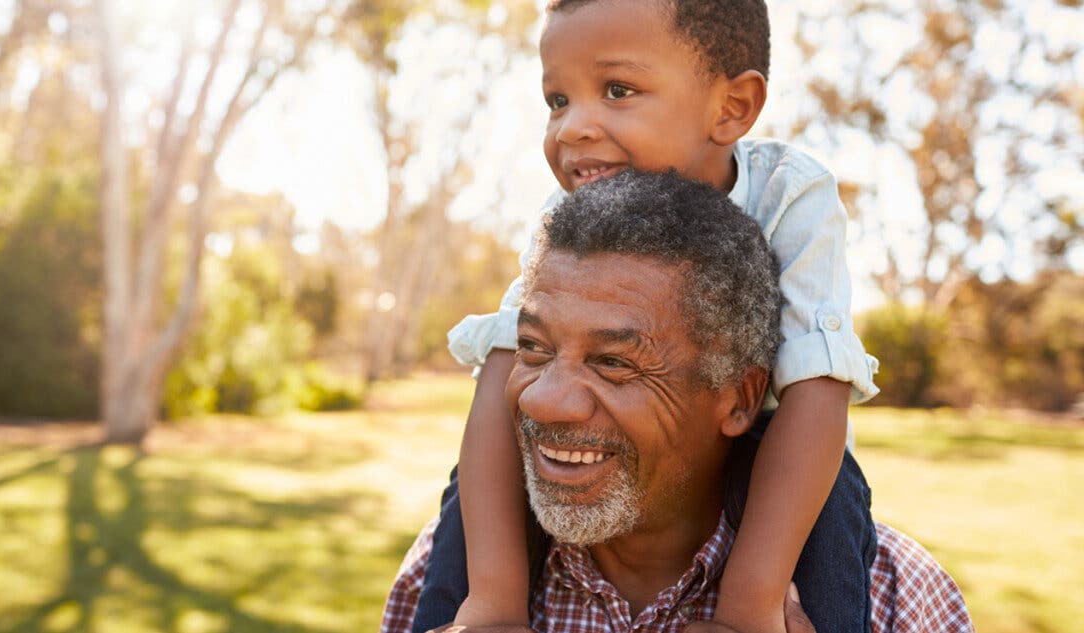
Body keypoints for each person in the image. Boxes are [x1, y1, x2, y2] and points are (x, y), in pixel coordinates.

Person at [414, 1, 880, 633]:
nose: (574, 126)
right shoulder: (568, 214)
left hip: (779, 448)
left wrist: (749, 611)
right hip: (629, 467)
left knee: (835, 503)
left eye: (617, 90)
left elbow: (819, 385)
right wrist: (492, 601)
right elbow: (502, 369)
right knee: (470, 488)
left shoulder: (788, 193)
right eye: (557, 100)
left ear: (732, 107)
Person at [384, 171, 972, 633]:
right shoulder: (446, 577)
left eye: (613, 362)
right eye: (533, 349)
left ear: (740, 399)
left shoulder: (895, 597)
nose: (545, 402)